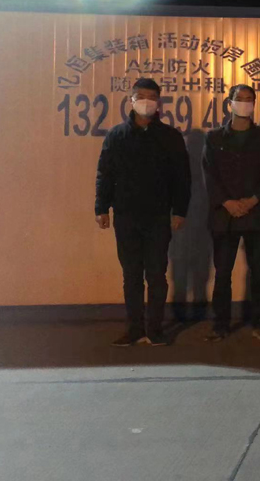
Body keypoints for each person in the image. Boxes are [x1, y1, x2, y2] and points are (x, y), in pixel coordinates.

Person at [95, 78, 191, 347]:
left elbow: (182, 178)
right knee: (131, 275)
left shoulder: (170, 137)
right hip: (126, 215)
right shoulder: (117, 136)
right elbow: (105, 173)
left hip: (158, 216)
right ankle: (135, 328)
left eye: (152, 97)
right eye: (141, 96)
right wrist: (101, 208)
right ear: (131, 100)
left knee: (157, 275)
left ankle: (155, 328)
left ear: (158, 102)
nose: (146, 102)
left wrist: (180, 211)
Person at [202, 84, 260, 342]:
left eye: (249, 99)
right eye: (239, 98)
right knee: (222, 273)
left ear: (254, 104)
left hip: (256, 214)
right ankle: (220, 324)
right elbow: (209, 175)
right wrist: (227, 202)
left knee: (259, 272)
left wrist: (253, 200)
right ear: (230, 103)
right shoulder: (213, 138)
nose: (244, 103)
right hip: (224, 216)